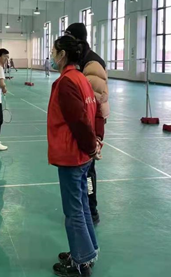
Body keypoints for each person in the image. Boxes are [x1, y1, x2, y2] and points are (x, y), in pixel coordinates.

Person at [47, 35, 101, 276]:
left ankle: (80, 262)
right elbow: (95, 112)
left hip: (72, 155)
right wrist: (94, 145)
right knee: (82, 206)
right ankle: (87, 251)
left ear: (62, 55)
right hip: (82, 156)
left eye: (54, 51)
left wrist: (91, 147)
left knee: (73, 211)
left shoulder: (67, 82)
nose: (51, 55)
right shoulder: (81, 78)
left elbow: (79, 120)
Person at [65, 23, 109, 225]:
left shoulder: (92, 64)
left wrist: (95, 136)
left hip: (91, 122)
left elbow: (94, 102)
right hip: (85, 121)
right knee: (82, 168)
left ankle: (91, 210)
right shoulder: (80, 60)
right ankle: (84, 207)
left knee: (88, 170)